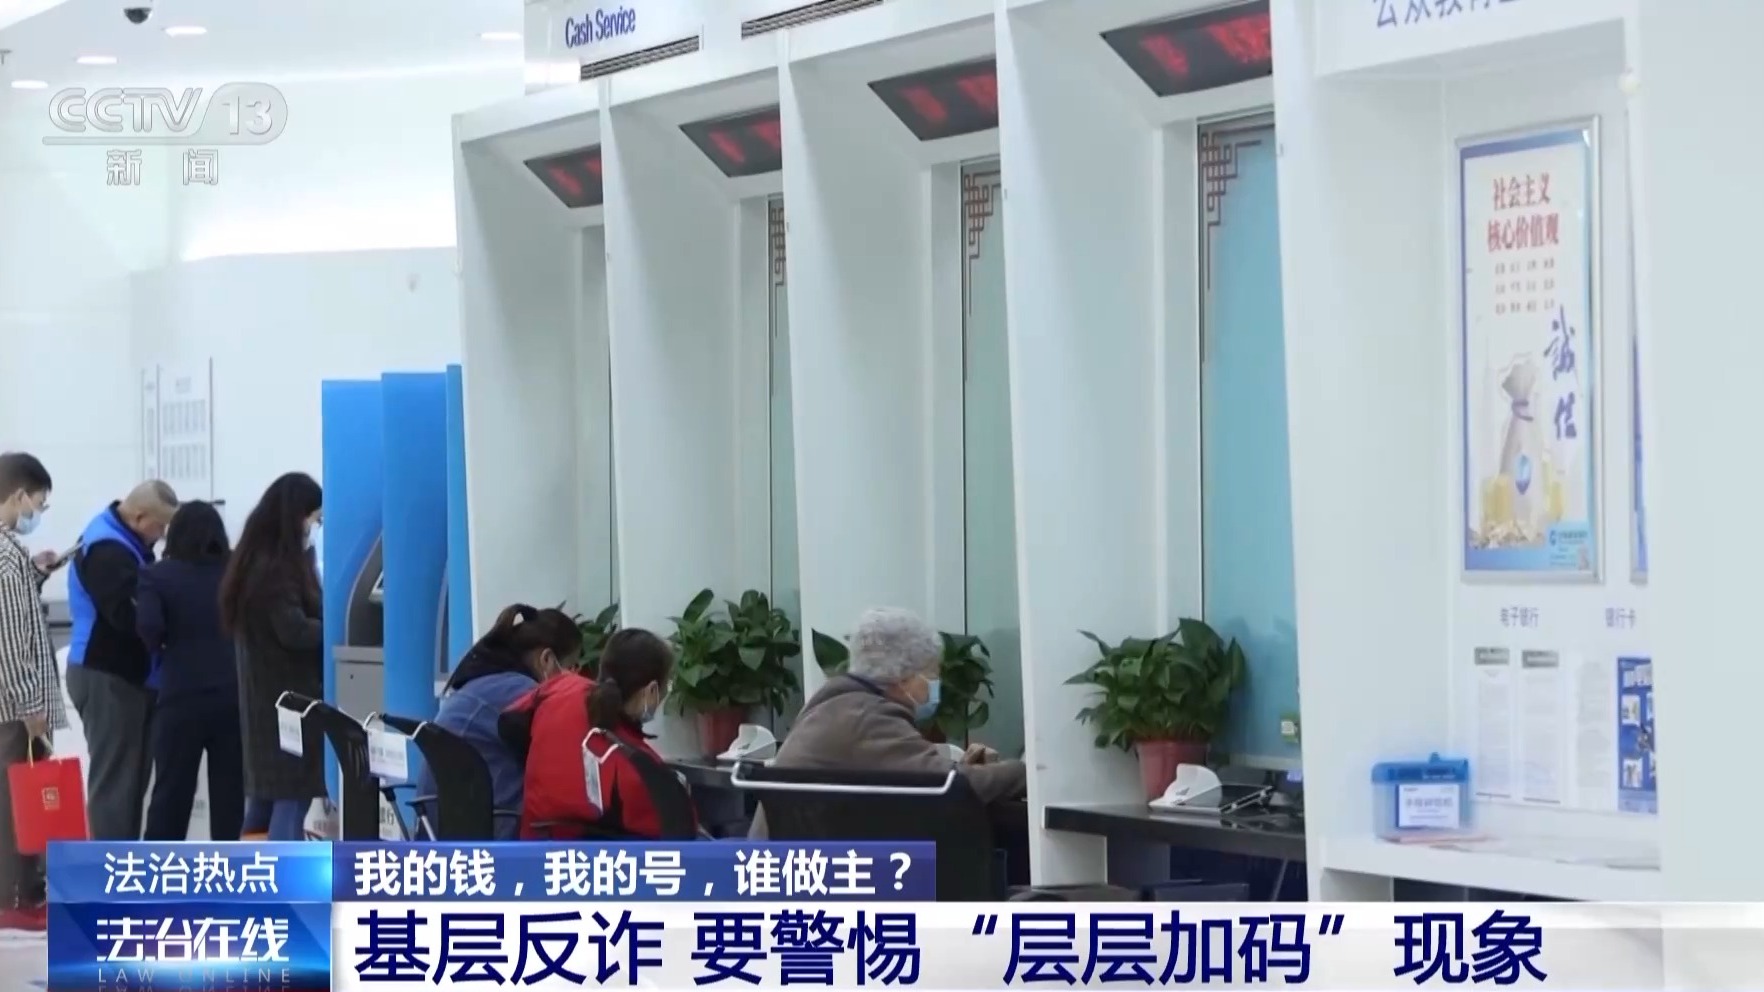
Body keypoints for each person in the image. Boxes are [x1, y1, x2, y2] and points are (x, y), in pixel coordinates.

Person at [751, 607, 1027, 838]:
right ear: (903, 676)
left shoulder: (835, 705)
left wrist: (962, 767)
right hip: (822, 874)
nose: (936, 684)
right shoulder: (866, 717)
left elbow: (918, 775)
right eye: (932, 674)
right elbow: (953, 787)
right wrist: (1024, 772)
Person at [65, 480, 179, 840]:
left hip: (128, 676)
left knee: (130, 785)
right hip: (106, 675)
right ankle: (107, 867)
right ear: (140, 517)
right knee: (115, 787)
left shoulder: (126, 543)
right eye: (160, 526)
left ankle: (123, 861)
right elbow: (130, 616)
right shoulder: (107, 550)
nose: (162, 535)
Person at [507, 628, 690, 839]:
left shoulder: (560, 689)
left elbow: (509, 721)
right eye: (667, 685)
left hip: (534, 848)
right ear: (651, 691)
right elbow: (682, 833)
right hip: (604, 856)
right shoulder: (642, 769)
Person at [220, 473, 324, 842]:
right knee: (292, 796)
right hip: (291, 702)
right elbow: (294, 630)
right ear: (296, 515)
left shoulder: (253, 561)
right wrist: (334, 631)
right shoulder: (278, 570)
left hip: (264, 699)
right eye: (314, 519)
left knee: (264, 801)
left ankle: (252, 872)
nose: (314, 528)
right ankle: (282, 876)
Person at [415, 604, 579, 838]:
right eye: (572, 667)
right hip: (489, 827)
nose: (575, 677)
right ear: (546, 659)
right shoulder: (523, 692)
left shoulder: (487, 682)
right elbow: (567, 756)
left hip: (438, 824)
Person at [137, 501, 243, 841]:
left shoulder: (156, 575)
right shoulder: (235, 573)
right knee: (231, 796)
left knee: (171, 793)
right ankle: (230, 869)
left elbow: (149, 628)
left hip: (179, 696)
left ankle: (159, 868)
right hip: (233, 695)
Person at [0, 453, 66, 930]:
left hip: (9, 706)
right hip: (14, 710)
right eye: (38, 504)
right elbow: (10, 639)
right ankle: (18, 898)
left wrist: (35, 574)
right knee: (17, 802)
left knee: (13, 799)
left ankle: (17, 893)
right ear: (19, 494)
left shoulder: (10, 554)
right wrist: (30, 706)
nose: (36, 513)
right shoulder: (6, 558)